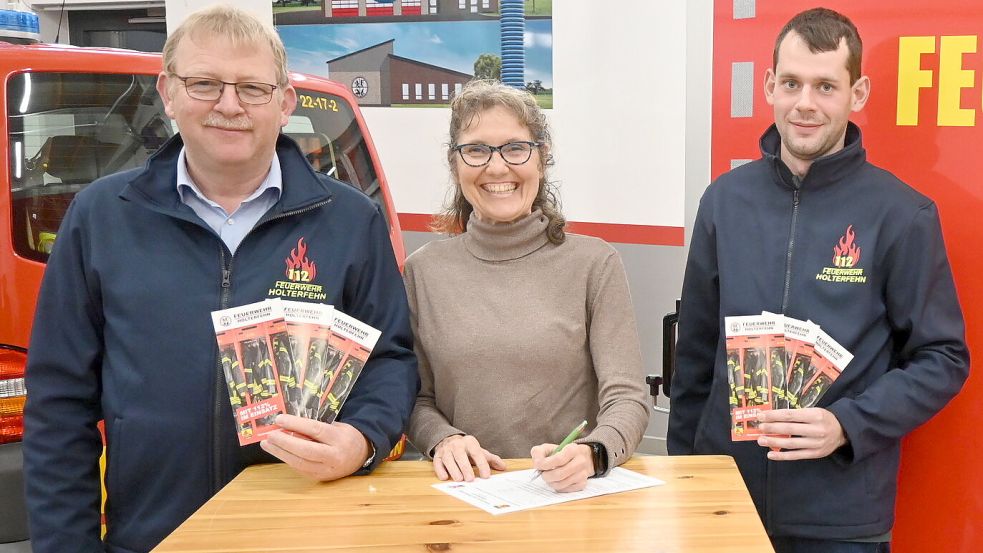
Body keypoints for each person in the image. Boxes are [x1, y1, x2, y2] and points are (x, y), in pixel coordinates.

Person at [22, 6, 418, 553]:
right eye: (204, 83)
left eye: (253, 88)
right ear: (168, 91)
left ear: (283, 103)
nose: (229, 105)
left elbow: (390, 359)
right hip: (154, 538)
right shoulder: (100, 217)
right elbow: (60, 406)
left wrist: (363, 440)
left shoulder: (350, 221)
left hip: (309, 537)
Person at [667, 8, 969, 553]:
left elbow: (944, 358)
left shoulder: (901, 214)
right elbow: (693, 360)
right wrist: (682, 482)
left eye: (826, 86)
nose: (805, 103)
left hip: (841, 520)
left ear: (858, 93)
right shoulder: (724, 201)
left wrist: (848, 424)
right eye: (792, 83)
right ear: (769, 86)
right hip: (721, 503)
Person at [403, 80, 650, 493]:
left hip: (569, 496)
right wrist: (442, 439)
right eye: (476, 150)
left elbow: (627, 398)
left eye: (516, 148)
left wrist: (593, 453)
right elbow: (416, 400)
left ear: (542, 159)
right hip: (464, 496)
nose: (497, 168)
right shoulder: (422, 271)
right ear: (455, 164)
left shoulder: (595, 264)